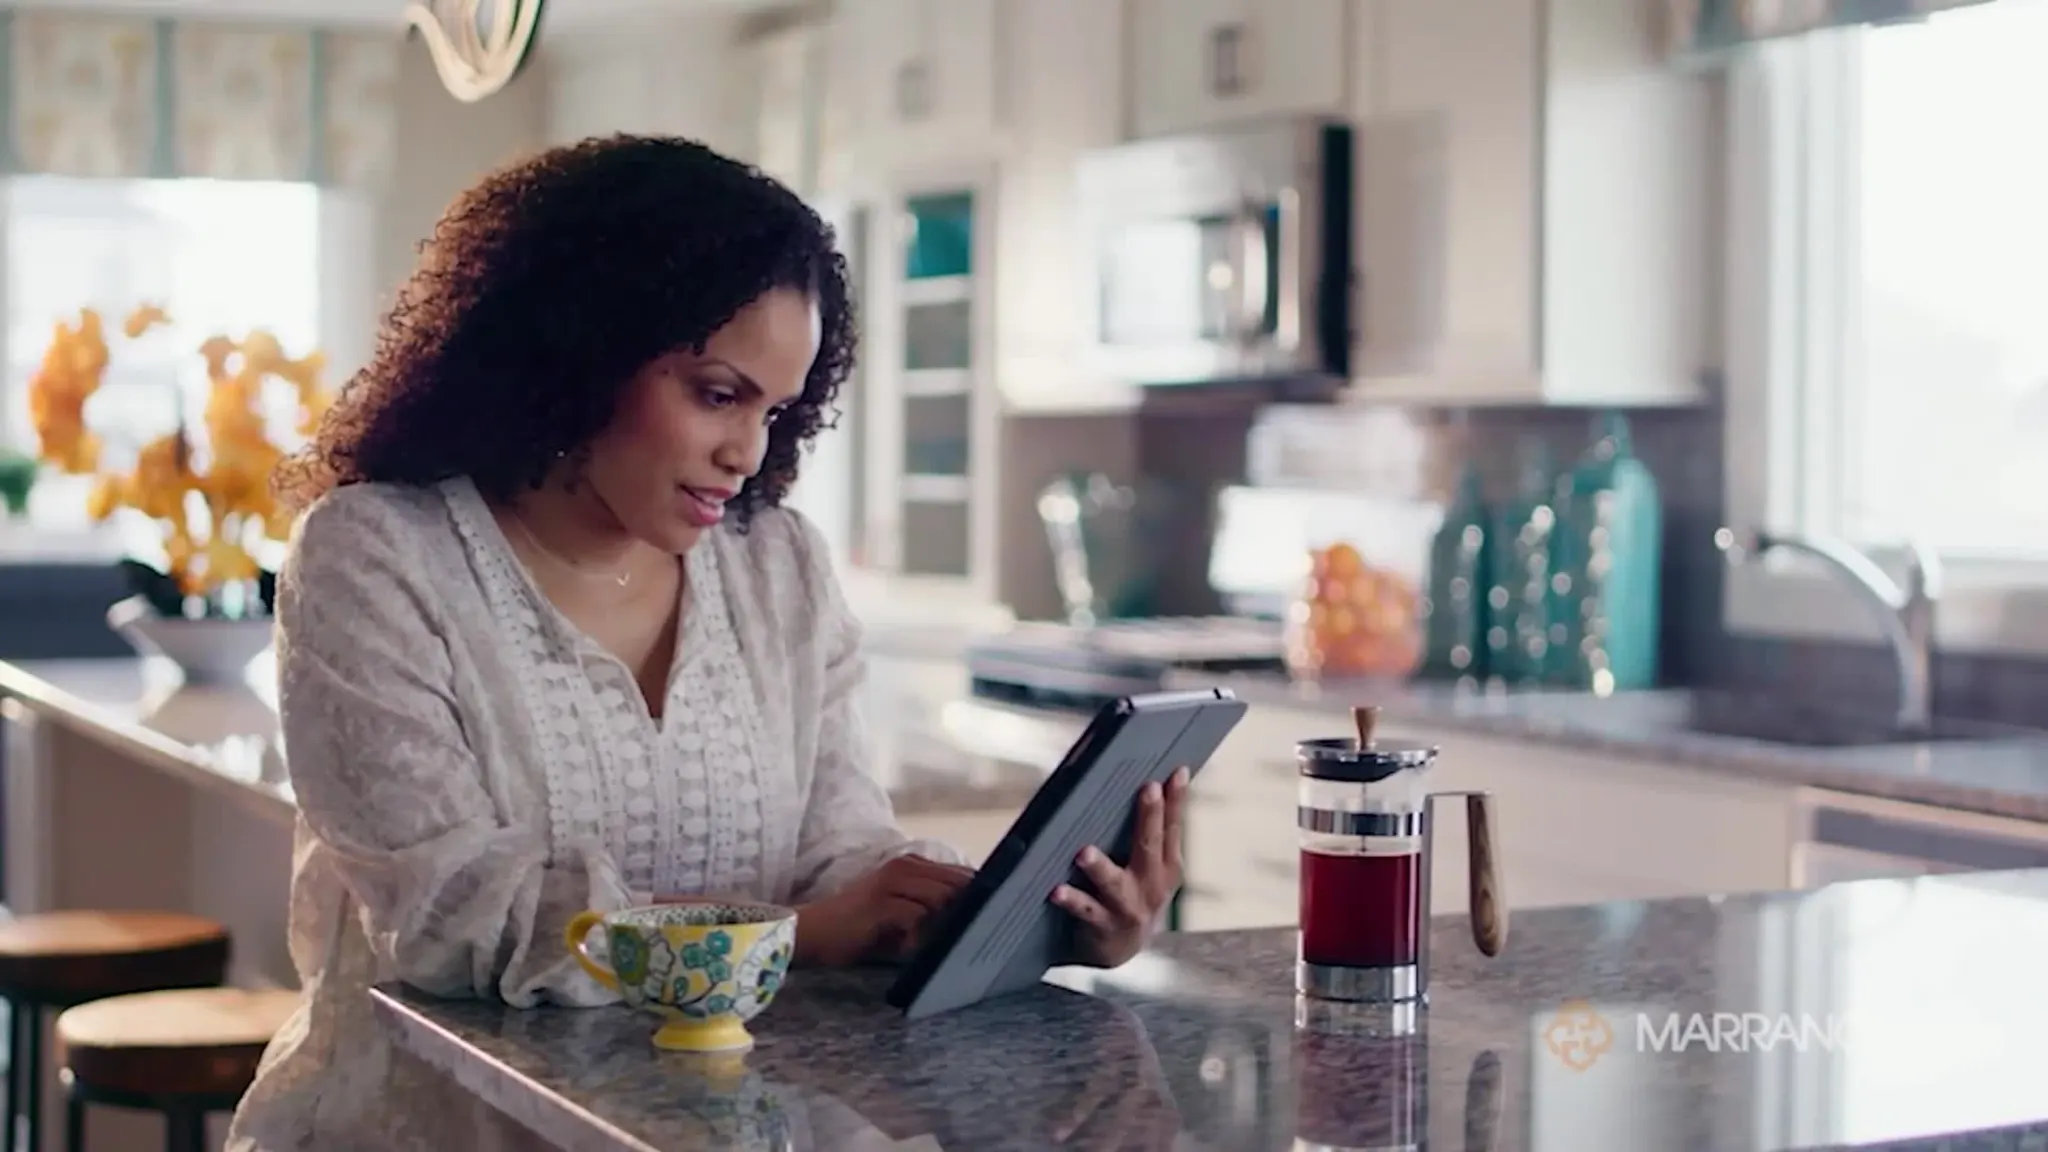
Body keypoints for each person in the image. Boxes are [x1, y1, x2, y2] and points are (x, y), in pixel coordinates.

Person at [225, 134, 1190, 1151]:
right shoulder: (375, 554)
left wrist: (1014, 920)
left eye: (776, 410)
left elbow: (839, 852)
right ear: (581, 350)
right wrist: (796, 936)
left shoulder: (778, 566)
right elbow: (452, 919)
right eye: (718, 394)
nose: (748, 451)